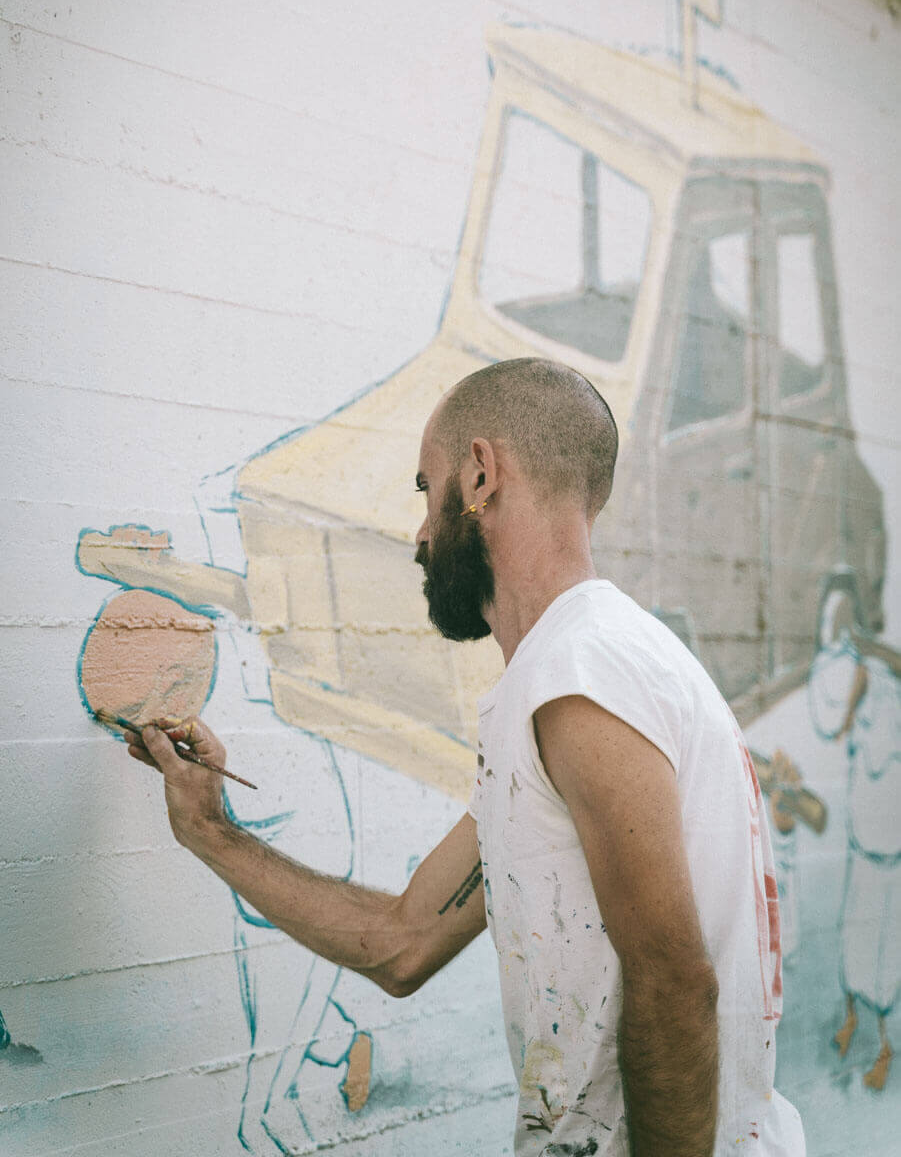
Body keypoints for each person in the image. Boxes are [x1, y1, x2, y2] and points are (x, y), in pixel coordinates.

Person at [125, 357, 804, 1156]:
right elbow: (402, 942)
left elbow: (672, 984)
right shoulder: (566, 678)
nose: (419, 534)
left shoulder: (581, 674)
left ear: (479, 475)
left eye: (427, 489)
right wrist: (209, 828)